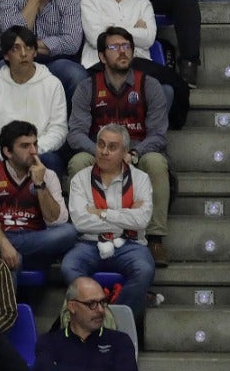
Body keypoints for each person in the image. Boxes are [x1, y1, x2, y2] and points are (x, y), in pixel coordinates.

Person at [67, 25, 173, 264]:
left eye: (126, 47)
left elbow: (158, 134)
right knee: (77, 162)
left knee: (156, 162)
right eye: (114, 47)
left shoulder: (149, 85)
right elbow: (75, 133)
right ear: (102, 56)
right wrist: (102, 152)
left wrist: (134, 153)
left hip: (136, 150)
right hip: (100, 149)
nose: (122, 52)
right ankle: (85, 232)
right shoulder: (88, 87)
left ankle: (155, 238)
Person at [62, 123, 157, 312]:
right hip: (88, 244)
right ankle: (93, 311)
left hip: (130, 245)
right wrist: (126, 215)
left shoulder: (140, 179)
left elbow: (142, 221)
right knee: (69, 267)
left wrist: (101, 213)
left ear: (125, 151)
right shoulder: (80, 179)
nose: (104, 151)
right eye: (101, 144)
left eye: (112, 147)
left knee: (145, 270)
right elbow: (80, 223)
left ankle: (114, 319)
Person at [0, 121, 78, 273]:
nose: (33, 151)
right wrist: (4, 243)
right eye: (25, 146)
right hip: (3, 233)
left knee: (68, 232)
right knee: (6, 255)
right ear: (8, 151)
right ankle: (12, 252)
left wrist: (40, 185)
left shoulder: (47, 175)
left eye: (35, 144)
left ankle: (0, 251)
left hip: (36, 236)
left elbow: (58, 220)